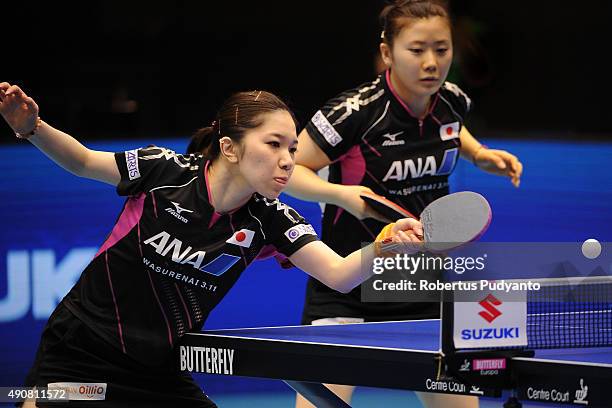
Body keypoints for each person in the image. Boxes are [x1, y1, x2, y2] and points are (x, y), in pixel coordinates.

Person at [0, 83, 423, 407]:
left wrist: (387, 247)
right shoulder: (164, 171)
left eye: (292, 148)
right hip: (82, 349)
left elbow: (340, 275)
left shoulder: (271, 219)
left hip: (160, 368)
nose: (288, 160)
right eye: (273, 144)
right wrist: (33, 129)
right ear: (229, 147)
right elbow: (82, 160)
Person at [286, 1, 523, 407]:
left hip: (422, 283)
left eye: (442, 49)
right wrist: (341, 195)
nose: (431, 62)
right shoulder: (353, 113)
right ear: (387, 53)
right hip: (352, 283)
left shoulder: (451, 100)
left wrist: (479, 154)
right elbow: (291, 170)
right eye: (417, 50)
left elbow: (449, 130)